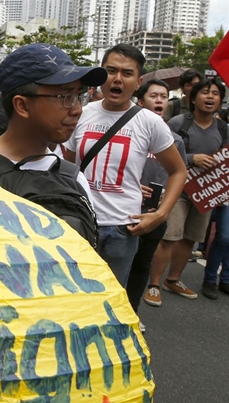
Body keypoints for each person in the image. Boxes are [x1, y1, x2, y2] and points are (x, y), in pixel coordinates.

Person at [64, 43, 187, 288]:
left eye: (127, 73)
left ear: (138, 81)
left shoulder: (150, 122)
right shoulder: (80, 113)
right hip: (79, 223)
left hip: (123, 228)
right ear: (101, 73)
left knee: (111, 296)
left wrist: (160, 215)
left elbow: (178, 171)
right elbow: (67, 169)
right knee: (73, 293)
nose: (117, 79)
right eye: (111, 70)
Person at [0, 43, 105, 244]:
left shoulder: (74, 179)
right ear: (22, 105)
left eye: (79, 96)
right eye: (66, 97)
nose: (77, 109)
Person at [148, 78, 229, 303]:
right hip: (179, 190)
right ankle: (154, 284)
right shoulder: (178, 123)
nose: (210, 97)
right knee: (170, 237)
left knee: (190, 238)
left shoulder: (223, 128)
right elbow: (162, 152)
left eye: (215, 93)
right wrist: (193, 158)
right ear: (193, 98)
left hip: (206, 194)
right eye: (205, 92)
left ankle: (172, 280)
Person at [126, 79, 186, 324]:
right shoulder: (128, 131)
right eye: (154, 96)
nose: (160, 100)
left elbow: (178, 173)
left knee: (142, 264)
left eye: (164, 96)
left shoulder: (175, 141)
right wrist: (128, 186)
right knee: (116, 263)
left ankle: (132, 312)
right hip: (123, 211)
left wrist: (164, 204)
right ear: (140, 101)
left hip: (154, 214)